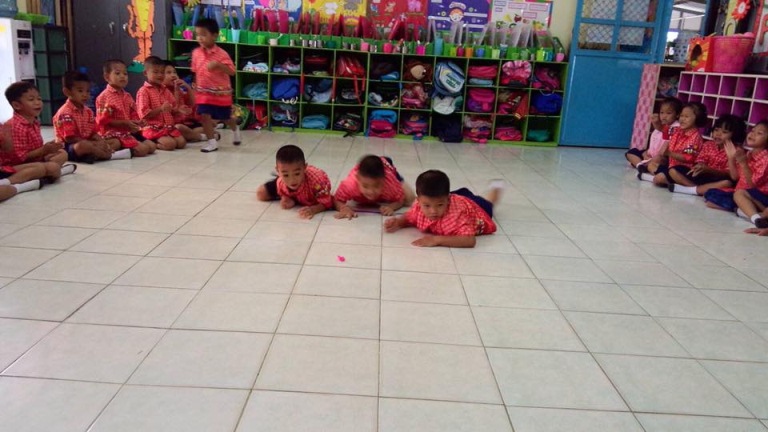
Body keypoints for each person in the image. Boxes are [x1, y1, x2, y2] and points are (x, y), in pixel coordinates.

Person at [384, 170, 503, 248]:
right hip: (458, 199)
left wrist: (436, 240)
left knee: (488, 202)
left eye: (439, 205)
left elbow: (469, 240)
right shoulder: (419, 206)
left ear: (448, 199)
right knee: (436, 200)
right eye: (427, 206)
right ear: (418, 200)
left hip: (477, 208)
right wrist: (398, 222)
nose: (433, 211)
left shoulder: (456, 217)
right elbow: (410, 217)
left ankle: (496, 187)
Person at [53, 71, 132, 163]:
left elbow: (93, 132)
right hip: (70, 146)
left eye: (88, 91)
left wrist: (101, 141)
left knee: (115, 142)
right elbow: (70, 138)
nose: (85, 94)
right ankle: (108, 155)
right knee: (83, 146)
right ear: (67, 92)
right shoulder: (65, 112)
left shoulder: (88, 111)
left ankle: (93, 155)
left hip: (88, 142)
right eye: (80, 91)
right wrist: (92, 144)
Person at [191, 18, 240, 153]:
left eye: (203, 34)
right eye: (197, 34)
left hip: (220, 94)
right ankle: (212, 142)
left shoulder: (222, 54)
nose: (200, 38)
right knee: (204, 116)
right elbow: (195, 70)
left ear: (214, 35)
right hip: (203, 93)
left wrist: (219, 65)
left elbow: (232, 72)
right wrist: (195, 86)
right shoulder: (196, 53)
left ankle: (235, 128)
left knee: (225, 117)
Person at [668, 114, 746, 195]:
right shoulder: (708, 144)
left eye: (724, 132)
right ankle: (694, 188)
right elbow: (700, 160)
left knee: (727, 183)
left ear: (735, 135)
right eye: (716, 130)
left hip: (718, 179)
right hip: (703, 176)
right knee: (673, 170)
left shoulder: (737, 151)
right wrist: (700, 166)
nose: (718, 134)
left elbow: (733, 176)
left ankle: (692, 190)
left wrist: (710, 169)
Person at [704, 120, 768, 216]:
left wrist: (743, 163)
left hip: (756, 195)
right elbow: (735, 177)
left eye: (759, 133)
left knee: (731, 196)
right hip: (740, 192)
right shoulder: (749, 154)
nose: (753, 134)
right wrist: (731, 158)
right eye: (753, 130)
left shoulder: (765, 159)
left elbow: (753, 185)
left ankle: (752, 213)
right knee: (711, 194)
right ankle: (741, 210)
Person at [95, 59, 156, 157]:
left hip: (126, 132)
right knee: (142, 150)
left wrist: (138, 122)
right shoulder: (104, 97)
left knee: (152, 147)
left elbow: (133, 114)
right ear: (107, 77)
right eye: (117, 73)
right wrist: (124, 122)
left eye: (125, 74)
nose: (122, 76)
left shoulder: (127, 96)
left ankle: (124, 148)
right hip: (112, 134)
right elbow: (103, 121)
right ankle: (116, 154)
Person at [0, 81, 69, 167]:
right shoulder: (15, 127)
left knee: (62, 153)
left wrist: (49, 148)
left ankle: (48, 169)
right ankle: (48, 169)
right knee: (48, 167)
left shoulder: (35, 122)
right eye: (31, 99)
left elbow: (36, 149)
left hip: (35, 160)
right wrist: (43, 150)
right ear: (17, 105)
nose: (37, 102)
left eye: (39, 99)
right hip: (19, 165)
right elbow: (20, 158)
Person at [255, 144, 333, 219]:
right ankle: (295, 197)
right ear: (278, 171)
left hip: (311, 187)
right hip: (285, 185)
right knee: (261, 193)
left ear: (305, 167)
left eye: (297, 174)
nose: (292, 180)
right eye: (286, 175)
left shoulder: (318, 182)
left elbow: (327, 202)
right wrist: (285, 197)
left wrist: (313, 209)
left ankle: (296, 197)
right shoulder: (281, 182)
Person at [334, 155, 415, 219]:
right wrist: (343, 208)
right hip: (368, 168)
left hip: (387, 166)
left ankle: (395, 173)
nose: (371, 192)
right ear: (358, 179)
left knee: (410, 199)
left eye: (376, 186)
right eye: (365, 186)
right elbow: (337, 199)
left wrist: (391, 207)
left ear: (383, 181)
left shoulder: (390, 184)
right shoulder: (350, 185)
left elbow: (400, 199)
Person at [136, 56, 186, 151]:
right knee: (170, 145)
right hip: (152, 128)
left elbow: (173, 107)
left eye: (162, 72)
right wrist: (160, 109)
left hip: (167, 127)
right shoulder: (143, 91)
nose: (160, 75)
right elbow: (143, 114)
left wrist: (179, 110)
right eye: (155, 72)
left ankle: (163, 139)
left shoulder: (165, 90)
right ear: (145, 73)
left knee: (181, 143)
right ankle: (152, 142)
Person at [652, 102, 707, 187]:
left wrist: (669, 153)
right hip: (671, 165)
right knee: (652, 164)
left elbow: (688, 158)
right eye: (681, 116)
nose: (682, 119)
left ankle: (691, 187)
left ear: (697, 118)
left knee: (662, 176)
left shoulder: (695, 137)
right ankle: (671, 181)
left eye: (686, 117)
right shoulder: (677, 130)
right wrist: (656, 122)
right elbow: (663, 129)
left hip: (684, 169)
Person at [628, 97, 682, 177]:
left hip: (663, 157)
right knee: (631, 152)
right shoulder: (662, 125)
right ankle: (640, 165)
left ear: (677, 115)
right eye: (662, 112)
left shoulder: (676, 127)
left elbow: (665, 149)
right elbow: (653, 143)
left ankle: (643, 164)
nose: (664, 116)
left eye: (668, 113)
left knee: (658, 159)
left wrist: (656, 124)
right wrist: (646, 153)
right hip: (651, 155)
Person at [0, 122, 53, 202]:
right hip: (10, 166)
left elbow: (9, 150)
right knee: (50, 168)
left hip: (4, 168)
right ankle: (21, 187)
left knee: (40, 168)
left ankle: (5, 183)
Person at [163, 61, 210, 143]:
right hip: (173, 125)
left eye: (174, 72)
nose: (173, 75)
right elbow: (175, 107)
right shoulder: (163, 91)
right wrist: (176, 91)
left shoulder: (179, 90)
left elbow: (192, 103)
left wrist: (188, 87)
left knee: (205, 126)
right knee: (179, 128)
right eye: (168, 73)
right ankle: (200, 137)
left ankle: (192, 135)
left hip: (185, 123)